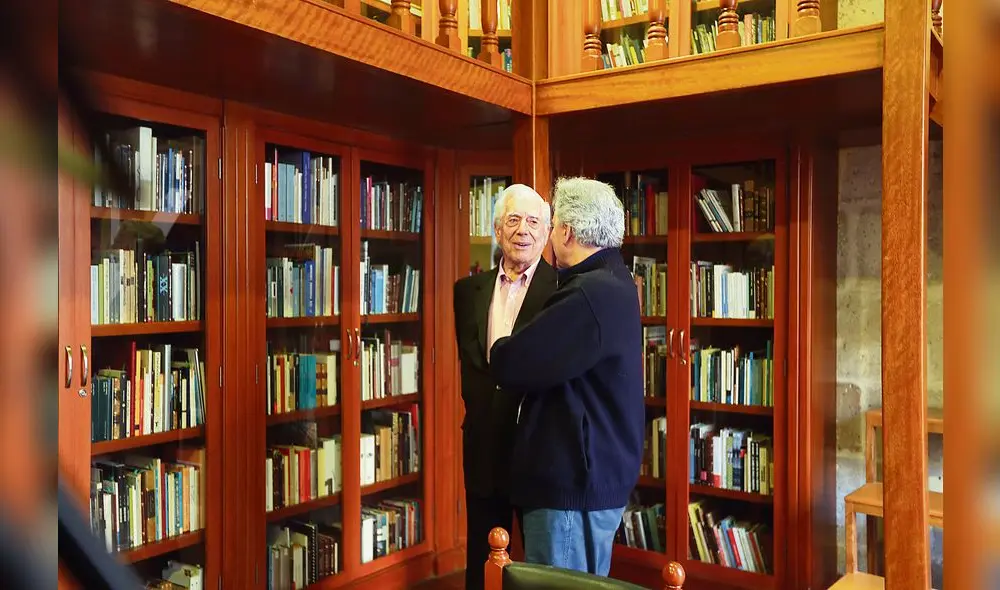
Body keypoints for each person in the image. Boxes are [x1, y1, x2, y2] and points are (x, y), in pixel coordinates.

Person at [488, 176, 644, 577]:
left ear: (568, 232)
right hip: (586, 480)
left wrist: (501, 344)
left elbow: (511, 362)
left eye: (551, 224)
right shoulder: (613, 281)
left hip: (574, 488)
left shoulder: (588, 294)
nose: (548, 234)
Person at [452, 183, 558, 590]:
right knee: (483, 556)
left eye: (533, 221)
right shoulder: (467, 292)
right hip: (483, 445)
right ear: (497, 229)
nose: (523, 230)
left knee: (540, 561)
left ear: (547, 233)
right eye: (513, 220)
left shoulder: (562, 291)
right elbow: (471, 368)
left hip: (537, 447)